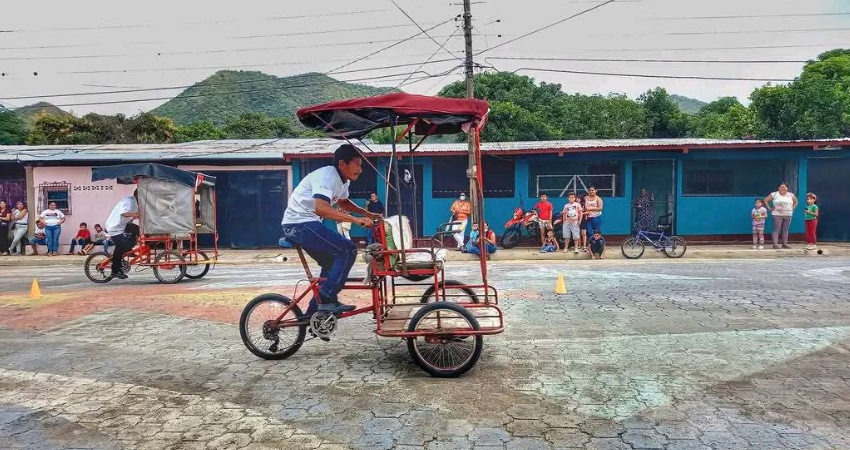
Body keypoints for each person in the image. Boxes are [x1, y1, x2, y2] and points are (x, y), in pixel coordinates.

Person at [281, 144, 381, 314]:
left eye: (361, 165)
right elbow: (321, 208)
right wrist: (356, 220)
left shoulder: (343, 181)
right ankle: (327, 297)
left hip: (307, 223)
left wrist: (367, 213)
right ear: (342, 163)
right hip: (298, 224)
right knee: (348, 250)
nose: (360, 169)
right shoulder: (327, 176)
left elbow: (344, 202)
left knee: (331, 261)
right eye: (357, 164)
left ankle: (313, 314)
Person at [104, 190, 139, 279]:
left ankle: (123, 254)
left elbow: (133, 216)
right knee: (120, 247)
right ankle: (115, 271)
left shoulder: (135, 203)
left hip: (122, 226)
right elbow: (124, 213)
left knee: (138, 231)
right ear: (138, 195)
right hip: (114, 227)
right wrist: (137, 214)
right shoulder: (129, 201)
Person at [765, 182, 797, 249]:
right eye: (781, 187)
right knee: (776, 229)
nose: (782, 188)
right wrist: (769, 208)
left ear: (787, 188)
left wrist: (793, 208)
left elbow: (796, 201)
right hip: (777, 214)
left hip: (788, 214)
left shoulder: (790, 194)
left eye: (784, 187)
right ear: (778, 188)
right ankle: (775, 244)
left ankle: (784, 244)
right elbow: (766, 200)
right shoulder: (774, 194)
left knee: (785, 230)